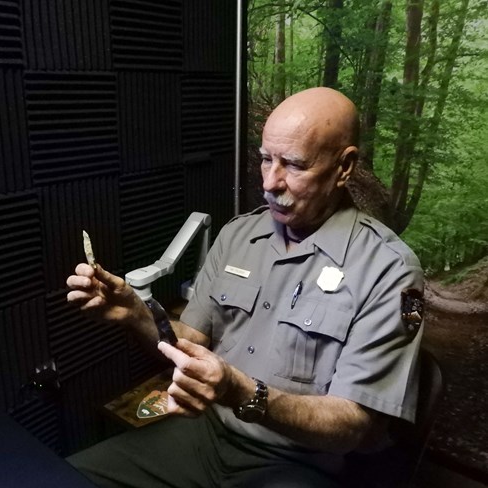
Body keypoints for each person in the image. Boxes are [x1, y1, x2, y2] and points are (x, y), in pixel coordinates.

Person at [65, 87, 424, 487]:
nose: (271, 182)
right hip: (203, 433)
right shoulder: (239, 234)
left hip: (300, 463)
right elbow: (191, 340)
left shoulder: (388, 270)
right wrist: (135, 313)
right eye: (266, 160)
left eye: (295, 165)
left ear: (344, 167)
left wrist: (241, 391)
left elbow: (352, 425)